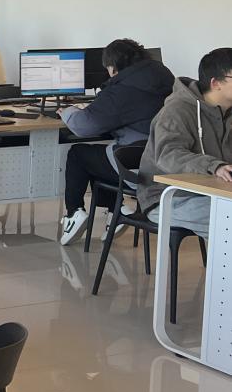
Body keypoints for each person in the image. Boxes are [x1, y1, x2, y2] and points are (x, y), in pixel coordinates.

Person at [58, 39, 175, 245]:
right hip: (171, 165)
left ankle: (74, 213)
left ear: (112, 68)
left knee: (79, 154)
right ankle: (116, 211)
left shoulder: (122, 90)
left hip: (141, 169)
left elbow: (84, 127)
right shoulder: (167, 80)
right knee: (104, 154)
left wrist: (68, 112)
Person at [137, 48, 232, 238]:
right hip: (171, 197)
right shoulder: (177, 111)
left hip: (216, 192)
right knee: (227, 218)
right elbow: (168, 155)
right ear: (215, 83)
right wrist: (214, 166)